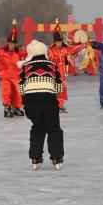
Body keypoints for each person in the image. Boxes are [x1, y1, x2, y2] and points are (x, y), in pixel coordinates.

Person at [19, 40, 65, 171]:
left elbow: (21, 87)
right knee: (54, 129)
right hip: (48, 100)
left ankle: (35, 157)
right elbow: (59, 86)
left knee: (38, 128)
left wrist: (26, 99)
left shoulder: (25, 67)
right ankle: (56, 157)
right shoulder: (52, 65)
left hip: (31, 103)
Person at [48, 20, 86, 112]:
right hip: (53, 74)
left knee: (62, 90)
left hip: (63, 74)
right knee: (54, 90)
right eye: (57, 42)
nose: (59, 43)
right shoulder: (50, 50)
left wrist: (83, 45)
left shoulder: (65, 49)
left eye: (60, 42)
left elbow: (73, 49)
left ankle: (60, 106)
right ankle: (54, 106)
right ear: (54, 42)